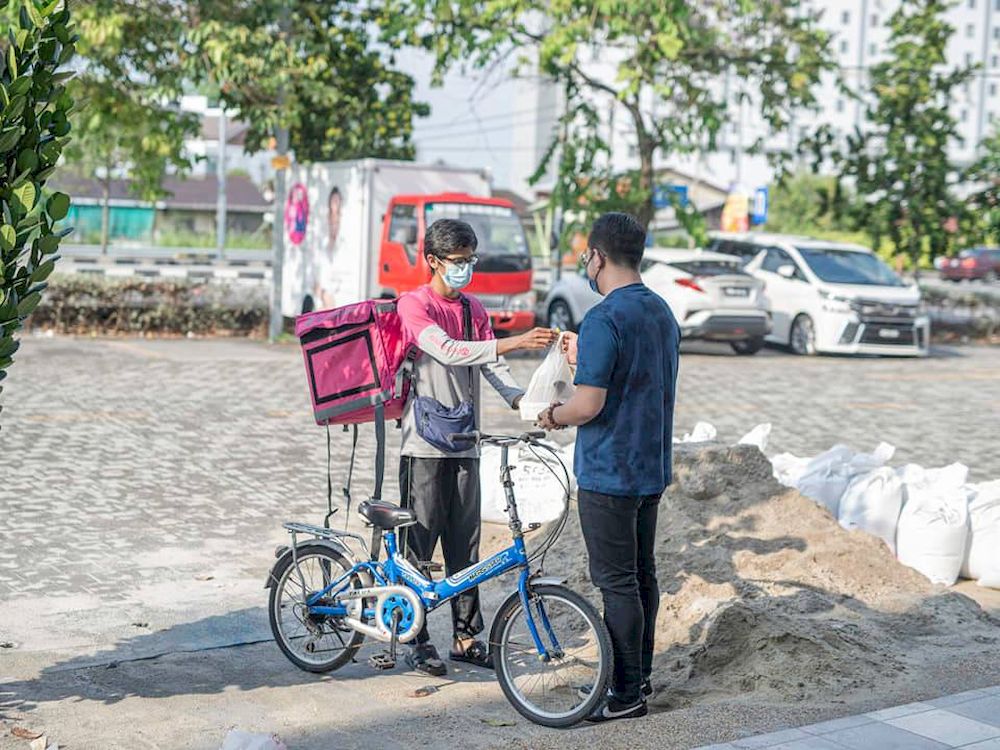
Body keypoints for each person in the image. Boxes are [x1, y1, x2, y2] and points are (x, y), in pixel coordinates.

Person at [397, 218, 558, 677]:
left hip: (466, 443)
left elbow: (493, 364)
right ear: (432, 261)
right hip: (424, 445)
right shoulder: (414, 305)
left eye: (471, 260)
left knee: (465, 546)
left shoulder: (474, 309)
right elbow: (448, 350)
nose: (466, 269)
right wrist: (518, 339)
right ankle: (416, 636)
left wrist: (527, 403)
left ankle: (467, 637)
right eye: (458, 261)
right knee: (420, 546)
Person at [537, 212, 680, 722]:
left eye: (587, 255)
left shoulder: (603, 318)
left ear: (597, 256)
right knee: (642, 575)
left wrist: (552, 414)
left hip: (609, 471)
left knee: (617, 582)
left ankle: (623, 696)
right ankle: (637, 677)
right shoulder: (661, 311)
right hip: (650, 468)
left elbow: (588, 406)